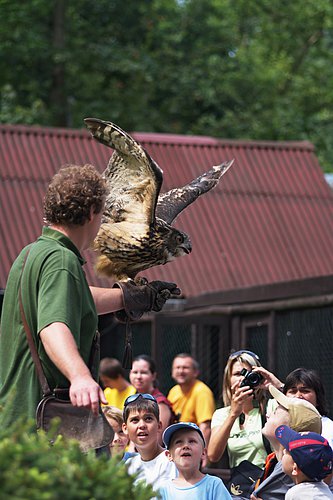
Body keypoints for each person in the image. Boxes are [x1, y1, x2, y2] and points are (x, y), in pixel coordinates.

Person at [0, 164, 180, 428]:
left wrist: (130, 297)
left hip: (16, 416)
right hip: (42, 420)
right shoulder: (62, 261)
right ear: (93, 212)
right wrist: (80, 376)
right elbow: (53, 326)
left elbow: (71, 301)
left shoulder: (31, 254)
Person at [251, 384, 322, 500]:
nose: (267, 415)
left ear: (287, 429)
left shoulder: (290, 471)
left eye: (275, 412)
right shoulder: (276, 460)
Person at [208, 350, 275, 468]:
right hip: (241, 484)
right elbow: (213, 455)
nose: (243, 379)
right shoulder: (222, 414)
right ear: (228, 379)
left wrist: (277, 386)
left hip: (269, 482)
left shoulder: (271, 407)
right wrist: (233, 414)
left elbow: (302, 411)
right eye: (238, 374)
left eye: (249, 374)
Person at [159, 421, 232, 499]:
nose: (186, 446)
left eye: (192, 441)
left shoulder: (214, 485)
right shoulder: (163, 489)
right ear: (169, 455)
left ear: (203, 453)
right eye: (179, 442)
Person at [122, 393, 178, 493]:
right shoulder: (129, 465)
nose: (142, 425)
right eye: (135, 420)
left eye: (148, 419)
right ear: (125, 428)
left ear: (159, 426)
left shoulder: (173, 462)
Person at [167, 353, 215, 448]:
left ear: (195, 372)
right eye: (177, 367)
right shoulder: (174, 391)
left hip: (194, 446)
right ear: (172, 372)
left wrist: (202, 452)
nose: (181, 371)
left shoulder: (202, 391)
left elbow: (205, 427)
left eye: (185, 368)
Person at [275, 424, 333, 499]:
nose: (283, 451)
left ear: (295, 469)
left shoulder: (295, 494)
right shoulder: (325, 490)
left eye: (287, 451)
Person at [130, 354, 175, 434]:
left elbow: (158, 437)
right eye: (135, 372)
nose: (138, 376)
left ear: (153, 376)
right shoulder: (132, 399)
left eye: (144, 373)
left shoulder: (160, 404)